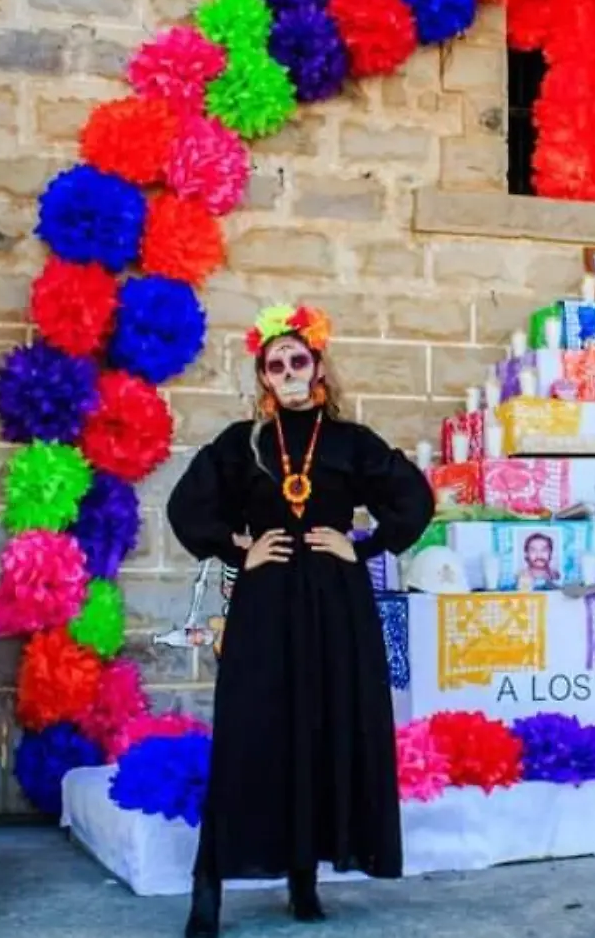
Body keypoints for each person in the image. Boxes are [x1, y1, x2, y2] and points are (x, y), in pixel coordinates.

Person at [168, 305, 435, 938]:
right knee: (249, 733)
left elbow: (414, 498)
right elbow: (187, 508)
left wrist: (363, 546)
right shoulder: (243, 444)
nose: (288, 372)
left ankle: (304, 880)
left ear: (317, 365)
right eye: (275, 364)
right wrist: (240, 550)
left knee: (322, 726)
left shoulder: (350, 442)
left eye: (298, 360)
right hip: (265, 607)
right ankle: (208, 886)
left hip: (337, 606)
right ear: (262, 375)